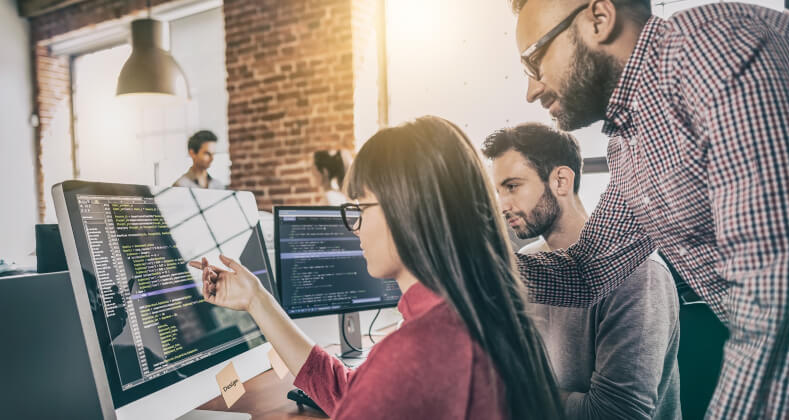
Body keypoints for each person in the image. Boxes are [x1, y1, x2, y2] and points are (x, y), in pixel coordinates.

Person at [509, 0, 789, 418]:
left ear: (599, 18)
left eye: (534, 61)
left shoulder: (720, 55)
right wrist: (464, 267)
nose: (532, 89)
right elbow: (590, 272)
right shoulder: (629, 145)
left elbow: (781, 302)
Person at [190, 116, 562, 419]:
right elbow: (348, 393)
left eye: (360, 208)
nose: (355, 228)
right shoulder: (486, 312)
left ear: (407, 212)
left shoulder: (415, 354)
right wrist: (256, 299)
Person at [483, 122, 680, 420]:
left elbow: (616, 415)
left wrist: (516, 395)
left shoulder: (638, 272)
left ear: (561, 180)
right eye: (498, 191)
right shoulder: (528, 261)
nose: (503, 204)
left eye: (512, 187)